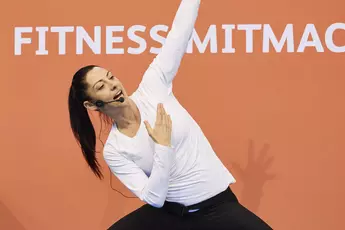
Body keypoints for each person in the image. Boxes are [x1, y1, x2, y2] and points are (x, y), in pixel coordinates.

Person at [68, 0, 273, 229]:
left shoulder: (153, 86)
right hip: (171, 215)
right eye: (101, 86)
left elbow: (179, 33)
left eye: (110, 77)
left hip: (218, 206)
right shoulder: (115, 149)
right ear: (92, 105)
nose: (113, 85)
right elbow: (154, 199)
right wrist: (163, 147)